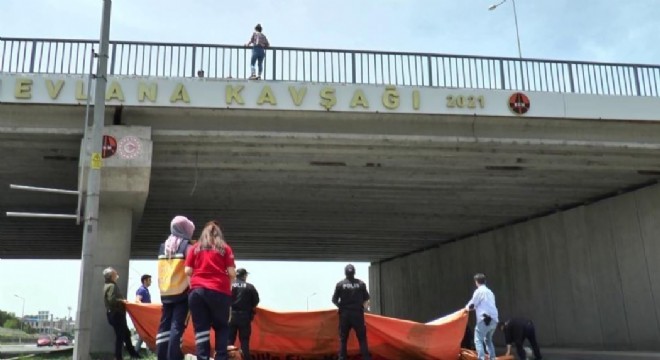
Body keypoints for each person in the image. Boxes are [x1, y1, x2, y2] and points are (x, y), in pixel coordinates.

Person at [185, 221, 237, 360]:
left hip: (197, 292)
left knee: (201, 330)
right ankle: (220, 357)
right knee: (221, 327)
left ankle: (202, 357)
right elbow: (232, 273)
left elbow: (187, 270)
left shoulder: (195, 247)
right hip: (220, 291)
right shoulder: (225, 248)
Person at [157, 216, 195, 360]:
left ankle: (161, 355)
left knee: (164, 327)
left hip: (166, 292)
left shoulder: (164, 247)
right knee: (177, 327)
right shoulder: (187, 247)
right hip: (183, 293)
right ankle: (173, 357)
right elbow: (191, 270)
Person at [331, 264, 371, 360]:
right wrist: (364, 308)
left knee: (343, 340)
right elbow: (367, 299)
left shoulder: (340, 285)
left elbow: (334, 300)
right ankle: (366, 358)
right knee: (362, 339)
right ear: (354, 272)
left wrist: (341, 307)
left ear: (345, 273)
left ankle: (342, 358)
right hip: (358, 315)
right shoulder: (361, 284)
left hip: (345, 316)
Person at [103, 267, 141, 360]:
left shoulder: (109, 285)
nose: (117, 275)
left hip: (114, 314)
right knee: (120, 336)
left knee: (126, 334)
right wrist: (123, 301)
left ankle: (133, 354)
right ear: (111, 276)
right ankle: (119, 356)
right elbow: (112, 300)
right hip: (116, 314)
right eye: (115, 273)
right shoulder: (112, 286)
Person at [465, 273, 499, 360]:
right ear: (485, 281)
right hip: (494, 320)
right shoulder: (490, 292)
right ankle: (493, 358)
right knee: (488, 340)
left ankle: (481, 358)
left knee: (478, 339)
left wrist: (465, 309)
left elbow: (473, 304)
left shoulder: (479, 291)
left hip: (484, 319)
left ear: (476, 282)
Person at [229, 268, 260, 360]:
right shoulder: (250, 287)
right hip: (245, 317)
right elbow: (256, 301)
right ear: (244, 276)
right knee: (244, 341)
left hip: (230, 316)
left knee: (229, 341)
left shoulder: (229, 285)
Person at [134, 274, 152, 353]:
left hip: (146, 316)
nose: (151, 282)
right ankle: (148, 353)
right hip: (143, 317)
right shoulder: (141, 290)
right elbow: (137, 300)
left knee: (144, 336)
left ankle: (135, 353)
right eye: (149, 280)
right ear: (145, 281)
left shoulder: (145, 290)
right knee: (146, 335)